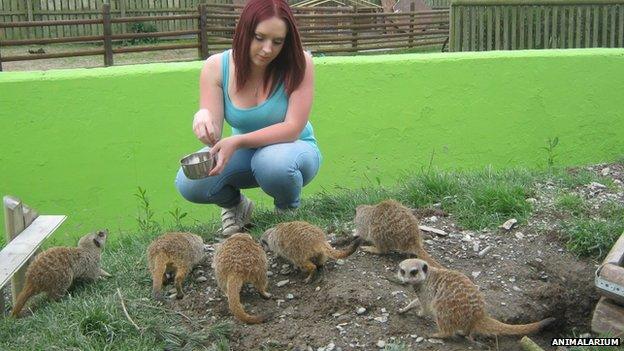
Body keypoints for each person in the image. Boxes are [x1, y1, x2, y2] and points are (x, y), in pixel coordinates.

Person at [175, 0, 321, 237]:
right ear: (244, 31)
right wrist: (203, 119)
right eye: (259, 37)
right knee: (189, 182)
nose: (267, 49)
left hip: (292, 149)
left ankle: (287, 212)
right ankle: (236, 207)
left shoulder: (300, 63)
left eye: (277, 42)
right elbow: (215, 132)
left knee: (273, 164)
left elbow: (293, 128)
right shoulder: (217, 66)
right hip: (244, 153)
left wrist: (238, 141)